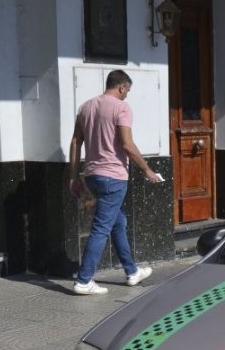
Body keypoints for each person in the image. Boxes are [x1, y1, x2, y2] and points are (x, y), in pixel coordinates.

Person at [67, 70, 160, 295]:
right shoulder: (121, 108)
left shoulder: (86, 107)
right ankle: (84, 280)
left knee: (118, 222)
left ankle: (131, 271)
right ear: (121, 87)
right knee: (101, 229)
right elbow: (127, 144)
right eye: (127, 90)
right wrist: (146, 169)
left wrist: (73, 176)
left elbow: (76, 141)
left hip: (92, 175)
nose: (127, 94)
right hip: (113, 177)